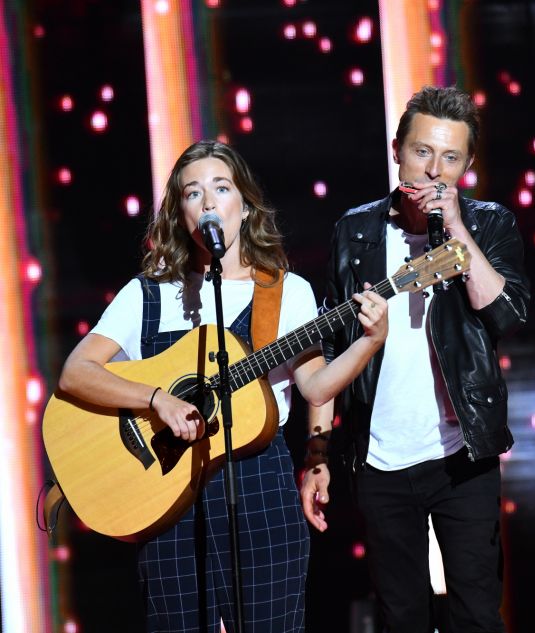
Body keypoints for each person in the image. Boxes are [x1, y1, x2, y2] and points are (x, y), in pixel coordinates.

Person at [57, 139, 389, 633]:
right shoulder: (149, 293)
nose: (208, 202)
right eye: (193, 193)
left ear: (245, 205)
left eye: (221, 188)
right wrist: (156, 399)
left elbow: (316, 388)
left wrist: (369, 342)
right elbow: (76, 372)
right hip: (166, 490)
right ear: (181, 214)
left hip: (260, 484)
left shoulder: (285, 291)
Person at [305, 85, 529, 632]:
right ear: (397, 150)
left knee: (477, 613)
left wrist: (456, 229)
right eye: (422, 152)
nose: (434, 171)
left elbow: (504, 315)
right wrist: (317, 453)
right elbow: (329, 349)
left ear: (467, 166)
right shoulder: (354, 231)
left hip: (462, 454)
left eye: (450, 158)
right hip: (380, 458)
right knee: (400, 615)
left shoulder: (490, 224)